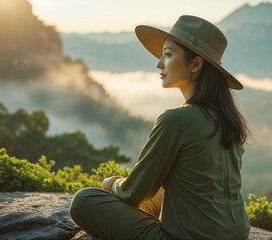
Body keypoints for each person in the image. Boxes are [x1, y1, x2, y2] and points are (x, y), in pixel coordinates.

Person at [70, 15, 251, 240]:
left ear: (195, 64)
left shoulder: (176, 120)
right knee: (161, 194)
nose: (159, 63)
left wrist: (113, 183)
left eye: (167, 54)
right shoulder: (228, 120)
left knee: (84, 200)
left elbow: (134, 193)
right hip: (235, 233)